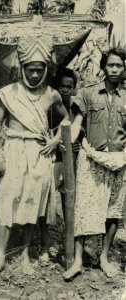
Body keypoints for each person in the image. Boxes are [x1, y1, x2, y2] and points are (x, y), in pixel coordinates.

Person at [0, 35, 69, 282]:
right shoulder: (9, 92)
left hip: (39, 153)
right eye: (30, 69)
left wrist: (55, 140)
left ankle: (24, 254)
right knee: (8, 201)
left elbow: (66, 119)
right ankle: (0, 257)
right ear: (22, 68)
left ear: (45, 69)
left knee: (33, 203)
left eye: (39, 70)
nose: (34, 74)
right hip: (14, 150)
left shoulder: (52, 94)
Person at [63, 48, 126, 280]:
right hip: (91, 160)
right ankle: (78, 261)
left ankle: (104, 257)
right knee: (83, 210)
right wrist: (67, 139)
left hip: (119, 162)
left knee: (113, 213)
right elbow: (77, 123)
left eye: (119, 65)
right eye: (111, 65)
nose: (115, 69)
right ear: (103, 67)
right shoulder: (88, 93)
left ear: (124, 68)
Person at [39, 67, 81, 263]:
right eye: (62, 86)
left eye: (69, 87)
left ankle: (68, 247)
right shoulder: (49, 107)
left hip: (70, 162)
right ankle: (45, 246)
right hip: (50, 159)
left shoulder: (77, 108)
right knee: (46, 203)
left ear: (74, 89)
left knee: (69, 204)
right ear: (56, 88)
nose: (65, 90)